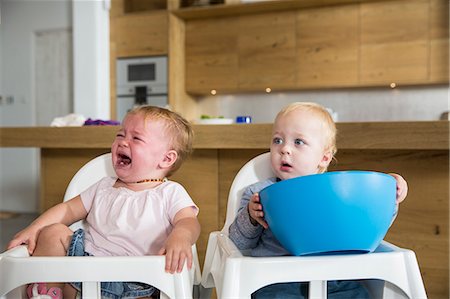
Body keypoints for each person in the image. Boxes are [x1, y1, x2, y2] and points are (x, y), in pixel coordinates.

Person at [7, 106, 201, 299]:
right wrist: (34, 228)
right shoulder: (104, 187)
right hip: (80, 271)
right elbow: (68, 209)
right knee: (53, 232)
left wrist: (181, 237)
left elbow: (188, 221)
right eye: (120, 135)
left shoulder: (169, 192)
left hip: (134, 284)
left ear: (166, 158)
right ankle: (48, 293)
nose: (123, 142)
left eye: (136, 138)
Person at [229, 102, 408, 299]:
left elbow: (368, 226)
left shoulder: (338, 194)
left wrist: (389, 195)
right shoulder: (258, 194)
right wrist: (250, 216)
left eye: (298, 142)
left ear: (324, 158)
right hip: (277, 281)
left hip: (337, 279)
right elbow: (238, 244)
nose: (285, 149)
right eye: (278, 140)